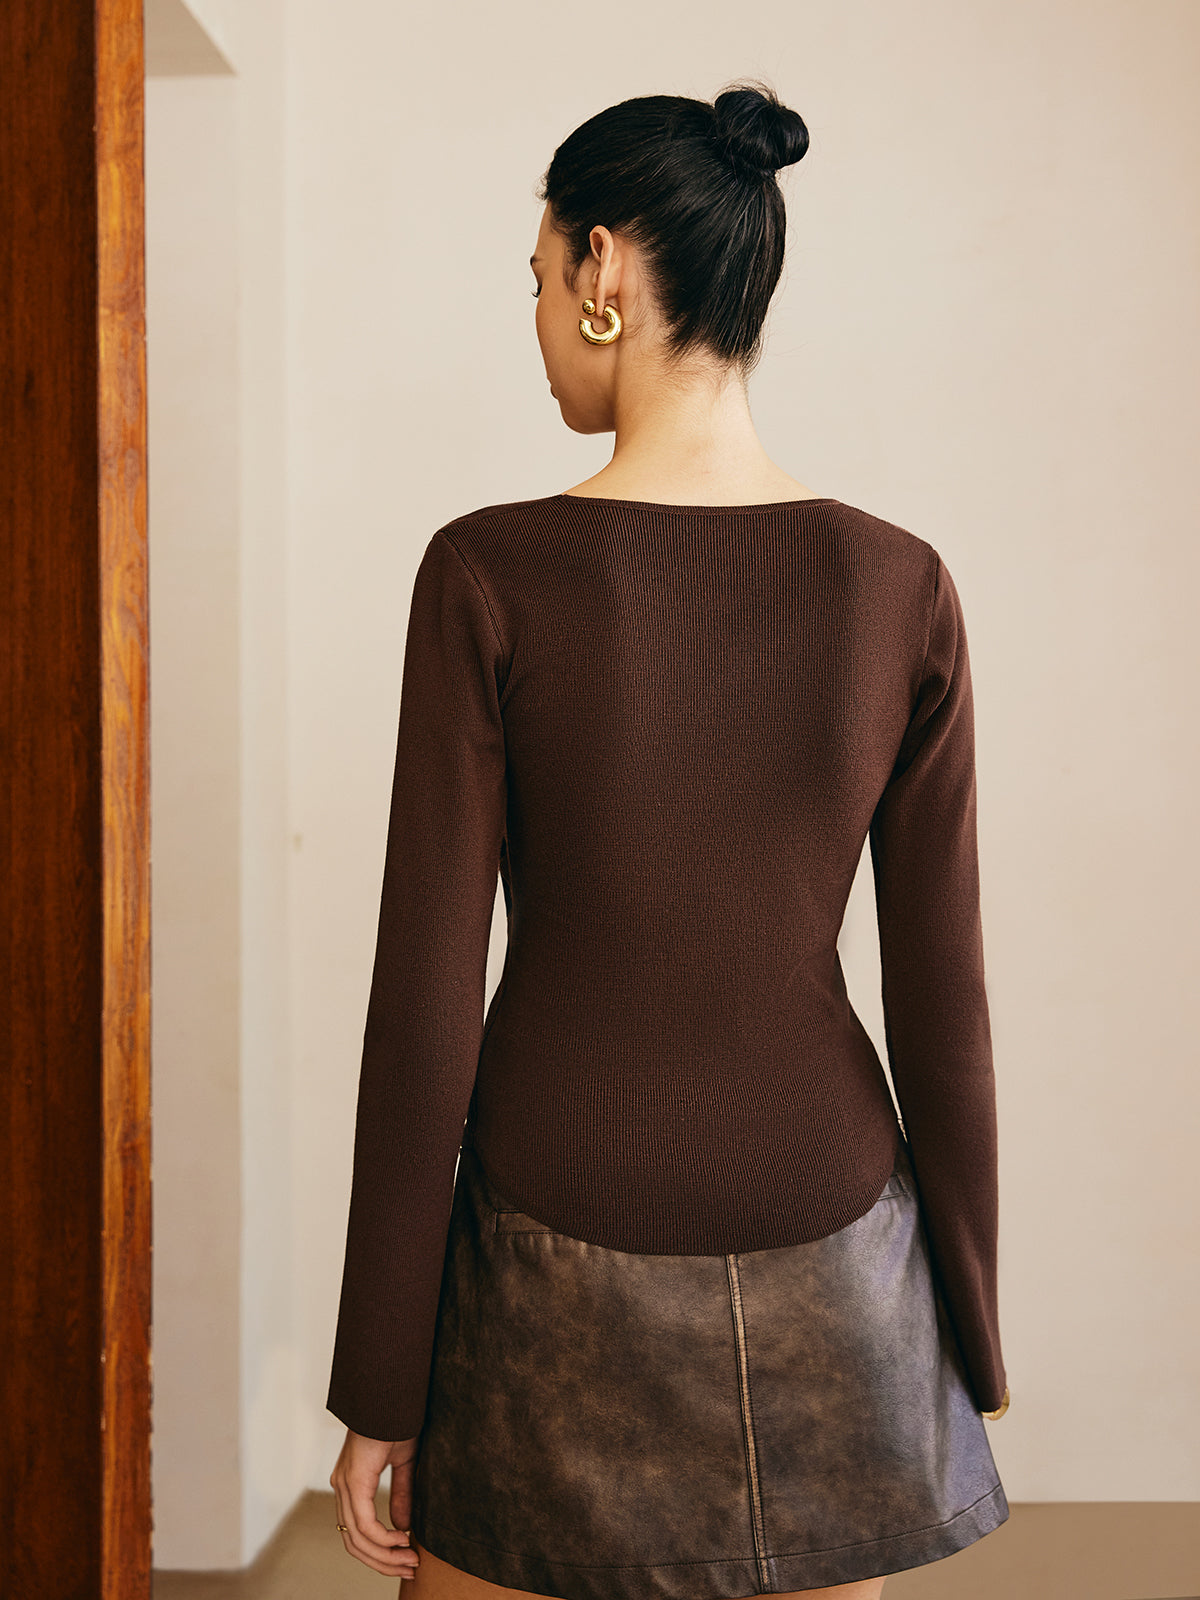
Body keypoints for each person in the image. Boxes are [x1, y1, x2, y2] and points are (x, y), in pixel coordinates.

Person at [326, 81, 1011, 1600]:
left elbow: (426, 1001)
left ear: (603, 269)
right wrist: (967, 1328)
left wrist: (381, 1375)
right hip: (838, 1246)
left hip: (545, 1242)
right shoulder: (899, 584)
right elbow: (944, 1000)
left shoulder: (489, 573)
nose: (535, 320)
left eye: (537, 276)